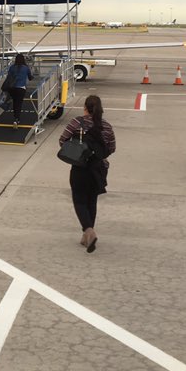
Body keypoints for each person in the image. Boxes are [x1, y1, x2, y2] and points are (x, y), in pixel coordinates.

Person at [58, 95, 116, 253]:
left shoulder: (76, 123)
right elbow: (111, 148)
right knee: (92, 200)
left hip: (80, 167)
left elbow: (62, 140)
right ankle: (87, 236)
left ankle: (89, 230)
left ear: (85, 108)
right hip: (98, 169)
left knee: (79, 200)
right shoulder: (106, 127)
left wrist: (77, 150)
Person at [7, 53, 32, 125]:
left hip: (12, 88)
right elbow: (30, 77)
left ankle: (15, 117)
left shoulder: (12, 67)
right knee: (19, 103)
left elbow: (9, 77)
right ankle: (16, 119)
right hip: (21, 88)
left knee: (15, 102)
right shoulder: (26, 68)